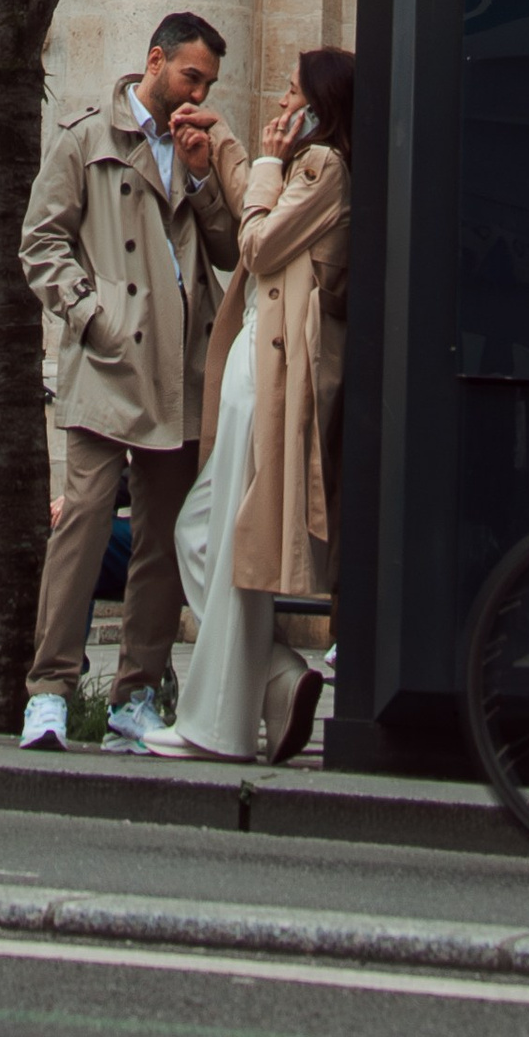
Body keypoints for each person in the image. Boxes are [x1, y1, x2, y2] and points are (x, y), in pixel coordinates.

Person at [18, 12, 247, 755]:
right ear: (155, 59)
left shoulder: (192, 147)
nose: (198, 92)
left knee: (163, 539)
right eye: (191, 75)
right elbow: (41, 240)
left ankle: (137, 692)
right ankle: (47, 690)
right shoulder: (87, 137)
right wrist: (93, 315)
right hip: (114, 362)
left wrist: (206, 172)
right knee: (82, 521)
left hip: (183, 366)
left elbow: (223, 251)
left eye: (208, 82)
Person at [148, 44, 352, 767]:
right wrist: (228, 143)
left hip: (270, 371)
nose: (281, 105)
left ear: (319, 107)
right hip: (256, 363)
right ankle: (273, 675)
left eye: (292, 93)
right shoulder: (303, 168)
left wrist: (259, 161)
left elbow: (259, 242)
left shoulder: (324, 168)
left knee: (227, 535)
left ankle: (217, 725)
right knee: (205, 533)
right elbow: (253, 199)